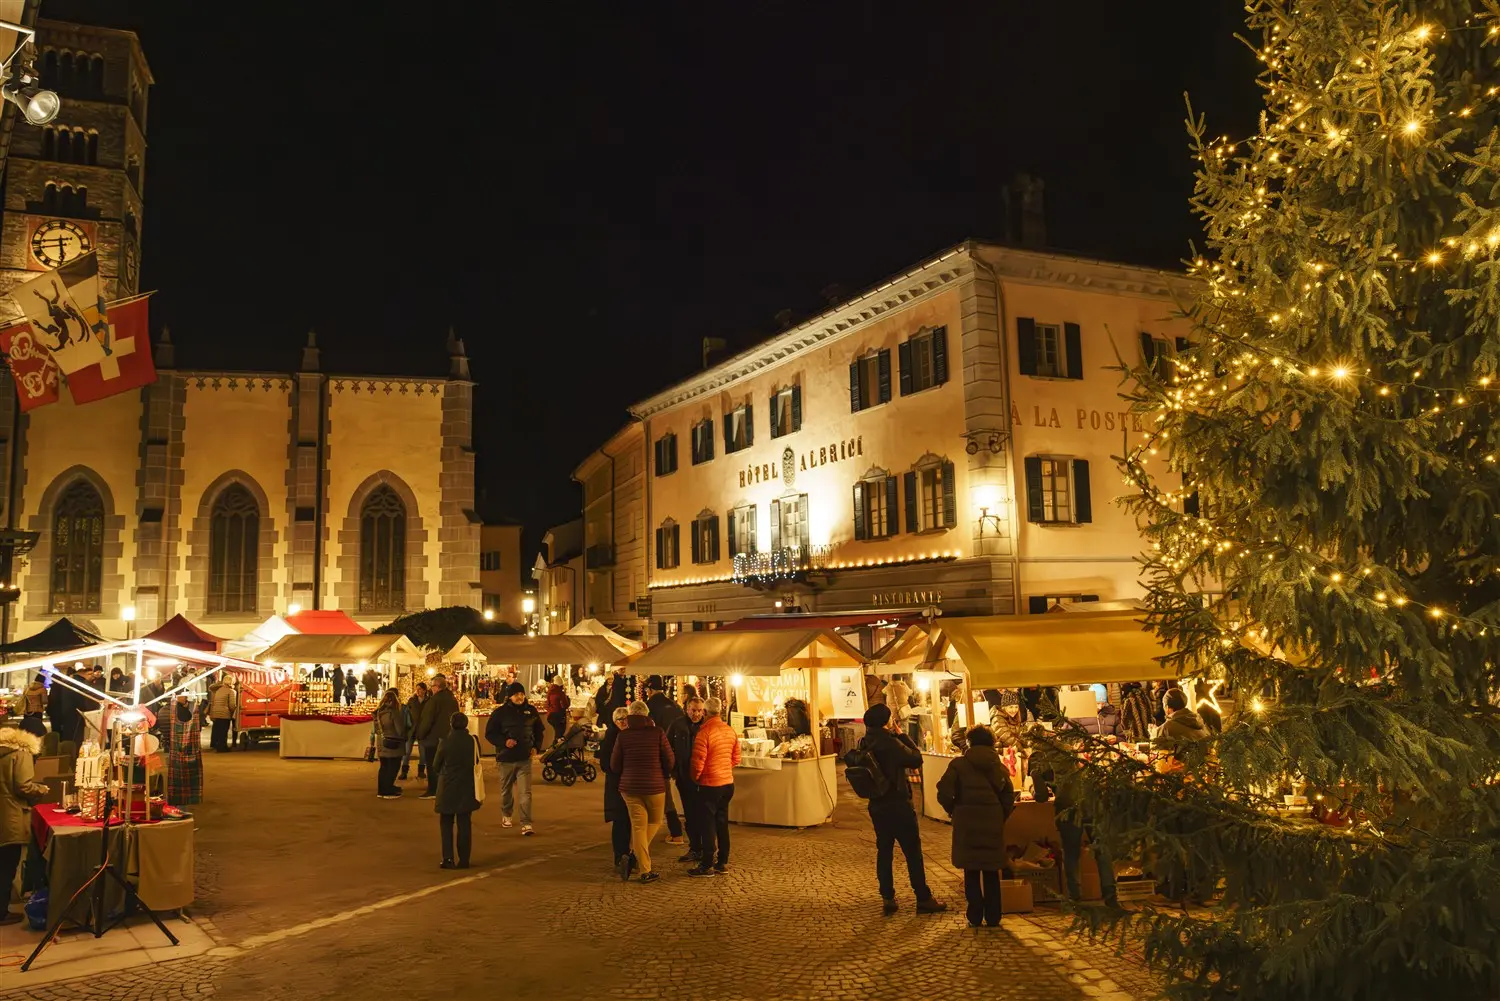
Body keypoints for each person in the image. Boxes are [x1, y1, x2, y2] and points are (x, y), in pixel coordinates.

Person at [858, 703, 946, 914]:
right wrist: (902, 735)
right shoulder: (889, 743)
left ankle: (888, 897)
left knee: (884, 850)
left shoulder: (865, 741)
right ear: (886, 722)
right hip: (897, 803)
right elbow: (915, 758)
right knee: (912, 852)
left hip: (877, 804)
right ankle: (923, 897)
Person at [936, 727, 1015, 928]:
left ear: (969, 743)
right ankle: (994, 916)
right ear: (992, 743)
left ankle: (975, 914)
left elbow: (943, 791)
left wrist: (954, 810)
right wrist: (1000, 814)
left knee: (971, 869)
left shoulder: (958, 765)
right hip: (992, 819)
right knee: (991, 870)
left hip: (965, 823)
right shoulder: (998, 767)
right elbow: (1008, 795)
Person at [611, 700, 674, 884]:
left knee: (638, 827)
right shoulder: (658, 733)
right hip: (654, 786)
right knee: (655, 821)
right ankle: (635, 858)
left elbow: (615, 765)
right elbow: (669, 760)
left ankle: (644, 867)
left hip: (629, 788)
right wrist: (663, 772)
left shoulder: (623, 736)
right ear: (647, 715)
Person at [687, 696, 740, 877]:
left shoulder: (704, 733)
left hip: (710, 784)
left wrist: (695, 778)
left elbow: (698, 761)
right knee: (722, 822)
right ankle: (722, 862)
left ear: (705, 713)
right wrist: (724, 768)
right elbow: (736, 758)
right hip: (727, 784)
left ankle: (707, 863)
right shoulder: (730, 731)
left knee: (707, 823)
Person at [0, 726, 47, 923]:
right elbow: (23, 785)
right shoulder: (21, 754)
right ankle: (1, 913)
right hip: (11, 815)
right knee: (7, 866)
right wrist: (42, 789)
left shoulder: (3, 752)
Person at [485, 682, 542, 835]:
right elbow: (490, 733)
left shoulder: (531, 711)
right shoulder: (500, 713)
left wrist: (536, 745)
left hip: (524, 758)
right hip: (506, 758)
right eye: (517, 694)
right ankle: (506, 814)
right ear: (510, 696)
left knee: (525, 792)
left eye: (522, 694)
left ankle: (526, 823)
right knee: (506, 791)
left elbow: (539, 730)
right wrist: (504, 742)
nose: (520, 697)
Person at [432, 712, 481, 869]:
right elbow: (477, 761)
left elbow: (435, 765)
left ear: (451, 724)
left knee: (446, 823)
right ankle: (464, 859)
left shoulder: (445, 741)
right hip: (467, 786)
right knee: (464, 822)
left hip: (447, 786)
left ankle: (448, 858)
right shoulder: (473, 741)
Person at [643, 675, 687, 846]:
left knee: (663, 794)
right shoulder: (675, 706)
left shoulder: (650, 707)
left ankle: (676, 832)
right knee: (679, 793)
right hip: (678, 753)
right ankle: (685, 830)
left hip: (658, 755)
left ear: (649, 689)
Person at [665, 696, 707, 863]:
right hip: (684, 777)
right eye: (693, 710)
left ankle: (706, 847)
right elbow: (667, 748)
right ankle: (695, 847)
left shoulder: (706, 726)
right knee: (690, 814)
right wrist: (675, 771)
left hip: (704, 779)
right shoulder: (677, 725)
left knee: (703, 814)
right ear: (687, 709)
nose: (696, 714)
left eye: (699, 710)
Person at [600, 705, 633, 871]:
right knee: (620, 820)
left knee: (628, 821)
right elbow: (605, 763)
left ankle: (626, 854)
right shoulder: (611, 736)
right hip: (616, 785)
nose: (623, 722)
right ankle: (620, 855)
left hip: (627, 783)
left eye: (626, 719)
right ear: (615, 721)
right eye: (620, 719)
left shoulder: (630, 735)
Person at [417, 674, 460, 799]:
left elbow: (427, 720)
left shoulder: (434, 701)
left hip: (434, 738)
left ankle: (433, 790)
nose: (431, 689)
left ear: (437, 687)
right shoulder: (452, 699)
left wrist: (420, 734)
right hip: (449, 737)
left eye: (432, 686)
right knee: (445, 765)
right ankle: (445, 788)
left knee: (432, 765)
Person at [166, 694, 203, 806]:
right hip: (192, 752)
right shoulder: (185, 711)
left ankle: (176, 800)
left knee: (177, 780)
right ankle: (191, 799)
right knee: (192, 780)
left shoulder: (171, 710)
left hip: (176, 753)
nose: (186, 698)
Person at [374, 689, 408, 798]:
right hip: (393, 743)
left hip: (382, 742)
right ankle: (388, 790)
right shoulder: (393, 712)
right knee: (393, 767)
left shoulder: (378, 713)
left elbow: (376, 730)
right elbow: (400, 730)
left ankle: (382, 789)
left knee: (384, 767)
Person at [401, 682, 428, 781]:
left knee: (423, 752)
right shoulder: (412, 700)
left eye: (420, 689)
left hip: (422, 729)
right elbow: (406, 714)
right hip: (411, 729)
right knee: (407, 751)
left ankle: (421, 771)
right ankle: (404, 771)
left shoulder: (428, 701)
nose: (418, 691)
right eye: (417, 689)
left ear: (424, 690)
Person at [207, 675, 235, 752]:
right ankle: (222, 748)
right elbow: (232, 705)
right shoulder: (231, 691)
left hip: (215, 712)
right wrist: (233, 712)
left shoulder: (218, 690)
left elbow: (211, 688)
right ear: (232, 682)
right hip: (224, 714)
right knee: (223, 731)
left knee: (217, 730)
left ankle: (216, 745)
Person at [543, 680, 570, 747]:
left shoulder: (550, 692)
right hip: (558, 716)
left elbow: (546, 705)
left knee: (557, 732)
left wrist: (550, 710)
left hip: (550, 716)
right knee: (559, 733)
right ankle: (556, 748)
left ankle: (554, 747)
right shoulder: (560, 693)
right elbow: (565, 705)